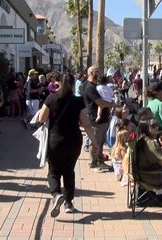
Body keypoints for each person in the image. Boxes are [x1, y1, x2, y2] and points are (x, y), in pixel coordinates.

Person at [38, 73, 97, 217]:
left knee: (53, 171)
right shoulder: (78, 101)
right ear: (72, 85)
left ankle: (57, 194)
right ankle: (69, 203)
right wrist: (94, 143)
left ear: (59, 83)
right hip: (73, 141)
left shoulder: (51, 98)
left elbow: (41, 118)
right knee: (69, 171)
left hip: (55, 141)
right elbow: (86, 124)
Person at [82, 66, 113, 172]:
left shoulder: (95, 86)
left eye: (100, 71)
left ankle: (100, 161)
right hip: (95, 119)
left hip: (103, 119)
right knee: (95, 142)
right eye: (97, 72)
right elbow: (99, 102)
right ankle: (93, 164)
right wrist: (110, 104)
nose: (99, 74)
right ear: (90, 73)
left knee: (101, 142)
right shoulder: (89, 87)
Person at [136, 116, 162, 189]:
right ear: (146, 128)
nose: (157, 127)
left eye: (157, 124)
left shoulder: (143, 139)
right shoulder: (150, 143)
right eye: (153, 126)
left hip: (144, 174)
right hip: (152, 176)